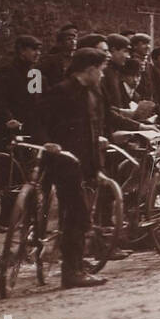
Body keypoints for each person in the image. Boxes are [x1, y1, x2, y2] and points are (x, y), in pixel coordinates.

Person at [33, 47, 110, 288]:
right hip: (63, 161)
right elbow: (37, 119)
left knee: (80, 211)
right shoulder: (62, 90)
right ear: (89, 70)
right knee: (77, 212)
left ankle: (76, 263)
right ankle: (72, 271)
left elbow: (94, 128)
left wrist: (98, 153)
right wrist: (47, 142)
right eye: (101, 70)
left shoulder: (93, 93)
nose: (102, 75)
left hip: (85, 160)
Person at [0, 34, 43, 154]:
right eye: (34, 49)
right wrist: (8, 119)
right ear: (22, 51)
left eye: (39, 50)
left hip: (30, 130)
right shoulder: (7, 72)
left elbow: (37, 102)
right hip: (9, 130)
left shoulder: (36, 75)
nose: (38, 53)